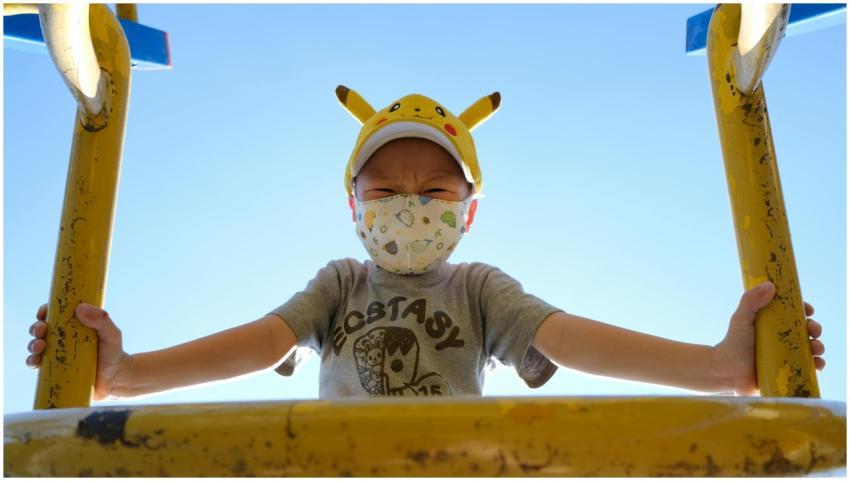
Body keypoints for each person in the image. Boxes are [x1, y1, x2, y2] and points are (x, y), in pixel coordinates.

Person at [26, 86, 826, 400]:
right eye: (385, 191)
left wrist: (719, 366)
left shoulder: (478, 289)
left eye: (434, 191)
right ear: (353, 206)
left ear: (467, 212)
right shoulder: (341, 283)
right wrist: (126, 372)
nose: (408, 207)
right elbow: (261, 341)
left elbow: (572, 338)